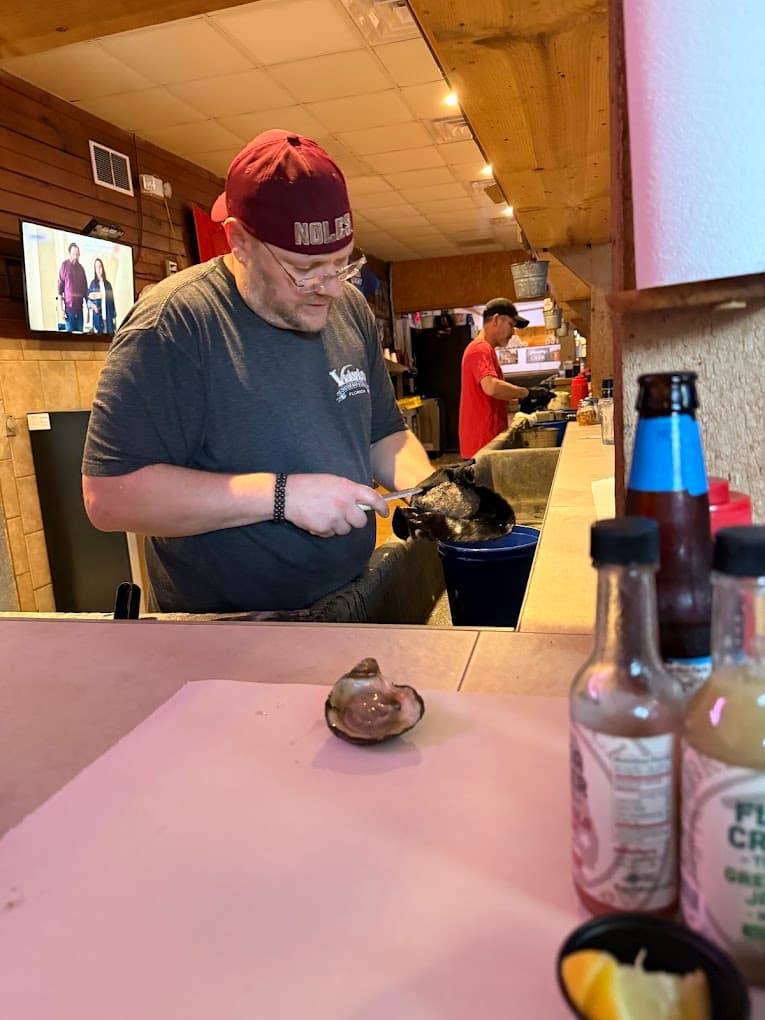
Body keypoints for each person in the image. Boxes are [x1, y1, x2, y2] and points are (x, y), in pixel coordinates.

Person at [82, 129, 433, 615]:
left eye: (341, 264)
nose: (328, 288)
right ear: (240, 242)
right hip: (230, 627)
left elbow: (383, 436)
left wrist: (432, 490)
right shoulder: (174, 325)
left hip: (351, 596)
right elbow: (109, 499)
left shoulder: (348, 307)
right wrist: (282, 496)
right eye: (305, 270)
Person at [458, 297, 532, 458]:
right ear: (496, 319)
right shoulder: (480, 348)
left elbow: (488, 396)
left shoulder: (485, 349)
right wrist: (526, 393)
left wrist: (518, 400)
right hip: (481, 444)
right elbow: (491, 387)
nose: (513, 332)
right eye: (511, 325)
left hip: (485, 442)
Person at [57, 242, 88, 332]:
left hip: (80, 312)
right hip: (68, 312)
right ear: (69, 254)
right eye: (74, 254)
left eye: (77, 254)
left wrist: (89, 311)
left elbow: (85, 291)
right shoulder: (64, 266)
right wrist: (61, 309)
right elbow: (59, 290)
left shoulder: (81, 269)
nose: (76, 256)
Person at [86, 258, 117, 334]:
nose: (98, 269)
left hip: (108, 319)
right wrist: (93, 306)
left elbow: (112, 303)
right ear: (95, 269)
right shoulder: (93, 284)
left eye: (100, 266)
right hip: (98, 319)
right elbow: (88, 300)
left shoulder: (108, 285)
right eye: (96, 267)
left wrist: (114, 320)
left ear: (102, 268)